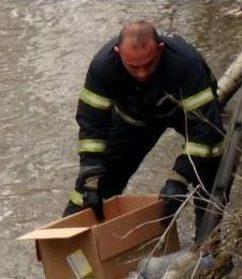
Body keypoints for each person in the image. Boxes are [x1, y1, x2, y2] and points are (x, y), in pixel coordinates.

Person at [62, 20, 225, 241]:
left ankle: (207, 247)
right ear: (118, 54)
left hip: (184, 115)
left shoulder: (186, 64)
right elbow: (92, 126)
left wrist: (178, 179)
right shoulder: (103, 66)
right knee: (93, 187)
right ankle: (67, 248)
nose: (141, 73)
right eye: (133, 67)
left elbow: (205, 132)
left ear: (160, 50)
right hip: (134, 119)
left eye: (149, 64)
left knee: (211, 164)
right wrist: (91, 175)